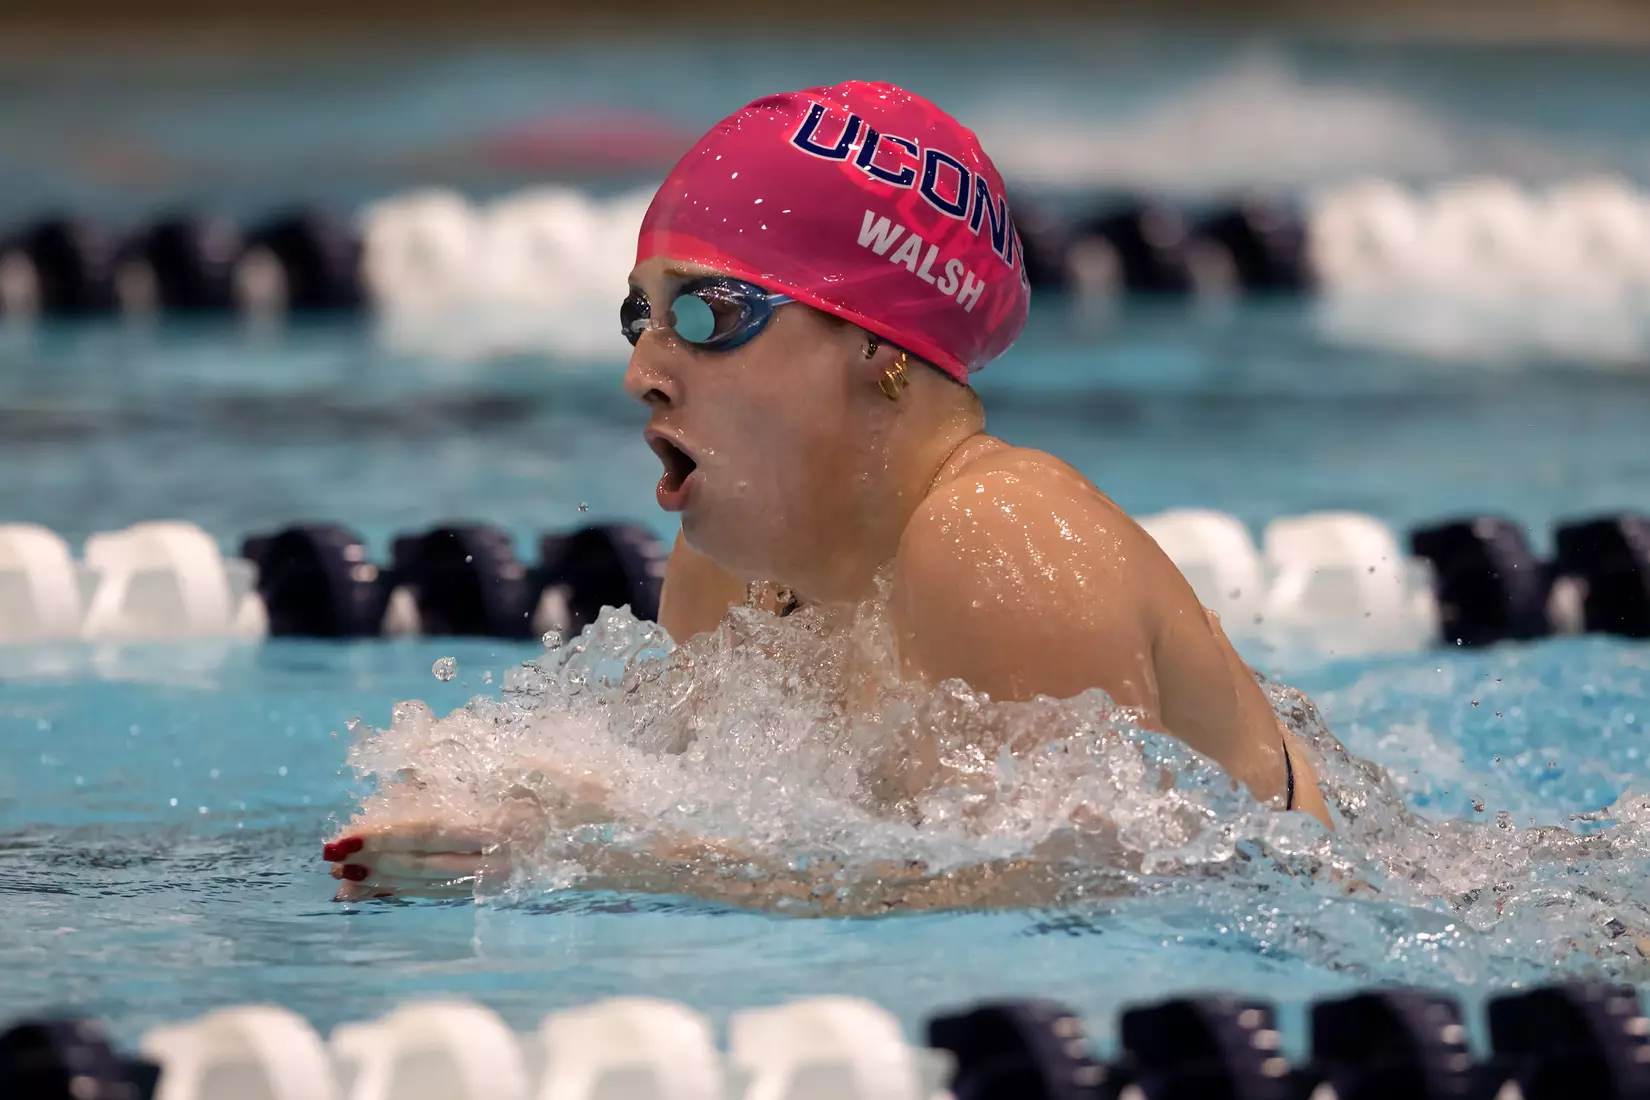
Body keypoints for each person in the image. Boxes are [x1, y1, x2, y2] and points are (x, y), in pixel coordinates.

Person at [325, 81, 1330, 903]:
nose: (645, 371)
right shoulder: (739, 573)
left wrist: (595, 847)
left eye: (710, 315)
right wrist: (483, 801)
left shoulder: (998, 537)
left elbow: (1067, 901)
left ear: (880, 348)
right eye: (642, 316)